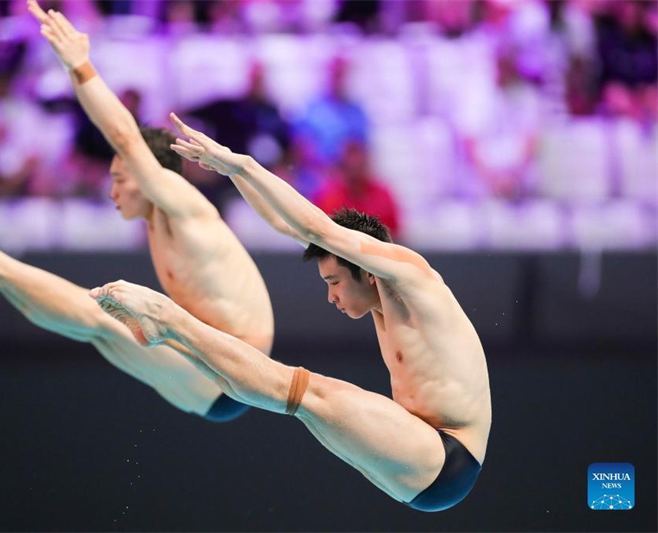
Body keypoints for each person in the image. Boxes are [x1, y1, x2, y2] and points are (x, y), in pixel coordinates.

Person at [90, 113, 492, 511]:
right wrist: (233, 174)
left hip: (447, 454)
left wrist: (242, 164)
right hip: (418, 455)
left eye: (334, 282)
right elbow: (286, 225)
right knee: (290, 401)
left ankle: (168, 320)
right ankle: (176, 336)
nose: (331, 297)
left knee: (304, 390)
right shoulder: (380, 295)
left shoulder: (413, 278)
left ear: (367, 271)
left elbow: (318, 230)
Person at [0, 0, 276, 423]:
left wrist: (80, 66)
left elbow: (125, 136)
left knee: (103, 312)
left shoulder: (184, 206)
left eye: (121, 178)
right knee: (92, 326)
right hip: (209, 381)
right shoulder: (156, 220)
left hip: (240, 367)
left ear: (151, 176)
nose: (112, 191)